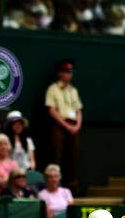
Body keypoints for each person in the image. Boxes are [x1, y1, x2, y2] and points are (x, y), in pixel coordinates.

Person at [45, 59, 83, 192]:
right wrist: (66, 125)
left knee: (73, 155)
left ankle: (72, 186)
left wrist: (77, 125)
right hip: (60, 124)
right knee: (58, 154)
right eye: (65, 71)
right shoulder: (53, 89)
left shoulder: (73, 90)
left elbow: (78, 110)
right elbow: (51, 110)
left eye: (70, 71)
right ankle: (57, 184)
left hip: (73, 125)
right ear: (59, 73)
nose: (68, 74)